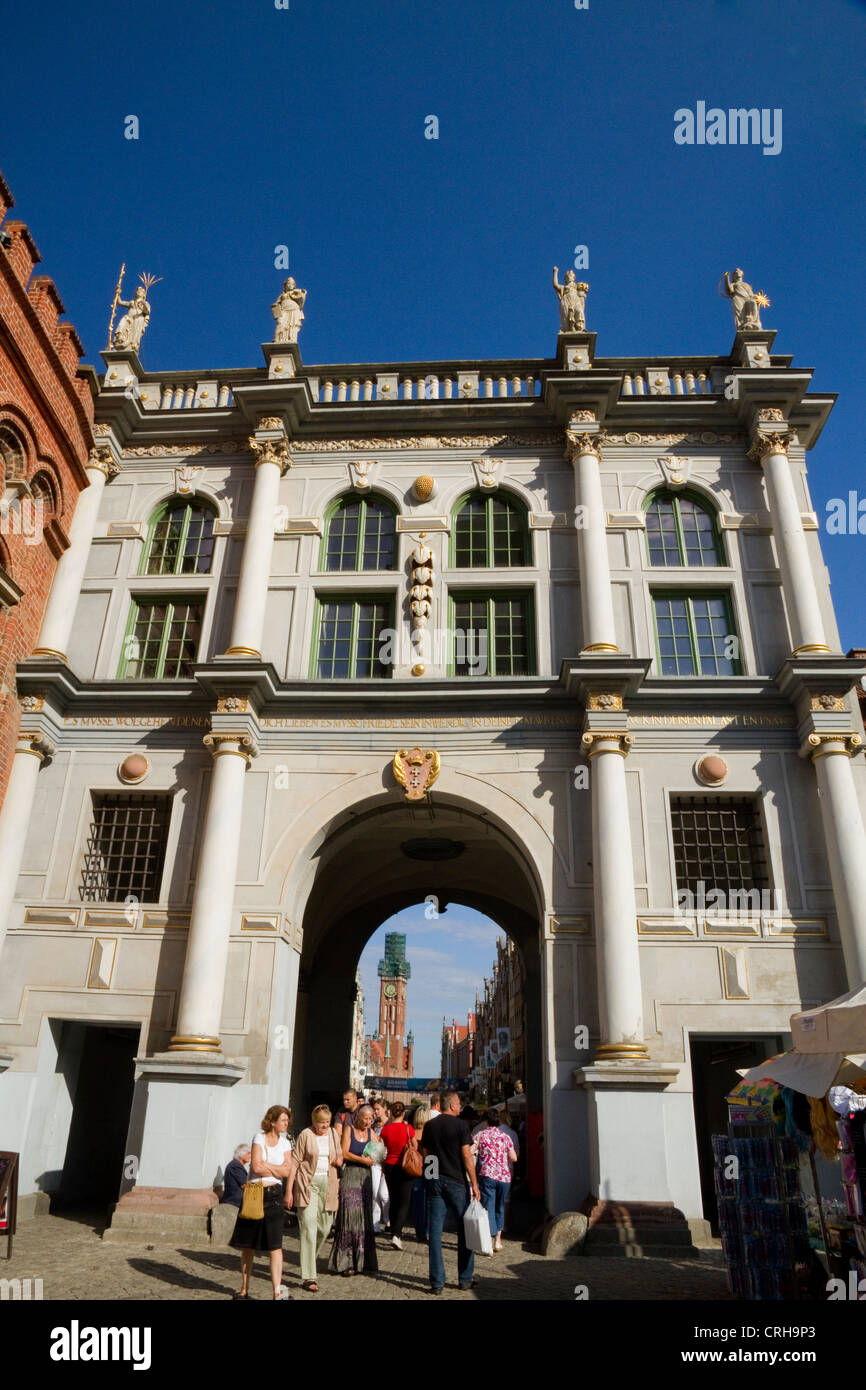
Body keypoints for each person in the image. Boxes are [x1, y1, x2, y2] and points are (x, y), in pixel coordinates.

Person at [229, 1104, 294, 1300]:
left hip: (274, 1195)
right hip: (256, 1194)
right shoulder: (259, 1138)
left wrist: (268, 1166)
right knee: (248, 1244)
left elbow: (287, 1170)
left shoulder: (286, 1144)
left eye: (287, 1120)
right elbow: (256, 1166)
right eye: (283, 1120)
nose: (286, 1123)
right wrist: (276, 1168)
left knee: (275, 1246)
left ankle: (277, 1292)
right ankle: (244, 1289)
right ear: (272, 1121)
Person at [421, 1090, 480, 1294]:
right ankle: (465, 1278)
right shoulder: (461, 1125)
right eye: (459, 1104)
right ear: (453, 1105)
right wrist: (474, 1183)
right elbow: (466, 1155)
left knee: (435, 1234)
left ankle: (437, 1282)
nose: (460, 1107)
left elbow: (426, 1153)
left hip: (436, 1179)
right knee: (465, 1231)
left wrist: (430, 1179)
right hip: (456, 1181)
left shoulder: (430, 1126)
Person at [287, 1104, 343, 1292]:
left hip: (329, 1184)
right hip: (307, 1184)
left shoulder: (334, 1134)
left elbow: (340, 1154)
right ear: (314, 1122)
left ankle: (308, 1257)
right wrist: (288, 1191)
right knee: (309, 1228)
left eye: (327, 1122)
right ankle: (309, 1276)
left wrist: (339, 1159)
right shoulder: (306, 1135)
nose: (325, 1126)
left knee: (324, 1228)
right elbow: (294, 1163)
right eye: (322, 1123)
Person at [329, 1102, 379, 1276]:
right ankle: (346, 1262)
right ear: (358, 1117)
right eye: (365, 1118)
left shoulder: (372, 1133)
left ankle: (364, 1262)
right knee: (349, 1216)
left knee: (364, 1218)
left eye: (370, 1119)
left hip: (365, 1177)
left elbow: (377, 1152)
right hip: (350, 1174)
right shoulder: (349, 1129)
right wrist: (362, 1160)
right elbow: (344, 1152)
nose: (368, 1122)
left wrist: (377, 1156)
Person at [473, 1111, 517, 1253]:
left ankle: (489, 1239)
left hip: (487, 1175)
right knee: (500, 1206)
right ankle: (498, 1239)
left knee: (488, 1207)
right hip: (504, 1177)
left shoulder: (481, 1135)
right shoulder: (505, 1137)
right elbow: (514, 1158)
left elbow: (470, 1151)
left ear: (486, 1122)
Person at [379, 1101, 416, 1250]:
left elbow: (380, 1149)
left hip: (389, 1166)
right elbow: (414, 1146)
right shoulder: (408, 1128)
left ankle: (393, 1228)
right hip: (404, 1166)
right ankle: (397, 1234)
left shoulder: (386, 1129)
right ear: (403, 1113)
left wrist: (382, 1164)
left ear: (391, 1113)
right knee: (404, 1202)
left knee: (393, 1199)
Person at [409, 1104, 431, 1242]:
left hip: (415, 1167)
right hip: (430, 1165)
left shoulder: (411, 1132)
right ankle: (428, 1230)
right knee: (430, 1199)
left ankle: (419, 1230)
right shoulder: (431, 1131)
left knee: (417, 1200)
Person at [370, 1098, 391, 1231]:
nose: (376, 1111)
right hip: (375, 1161)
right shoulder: (373, 1124)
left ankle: (388, 1219)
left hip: (387, 1161)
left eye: (378, 1109)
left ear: (385, 1109)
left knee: (384, 1194)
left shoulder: (389, 1124)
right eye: (375, 1109)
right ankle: (375, 1224)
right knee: (374, 1192)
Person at [221, 1143, 251, 1209]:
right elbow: (245, 1185)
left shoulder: (235, 1165)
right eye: (248, 1153)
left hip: (235, 1201)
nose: (250, 1156)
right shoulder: (235, 1166)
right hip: (234, 1202)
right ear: (241, 1155)